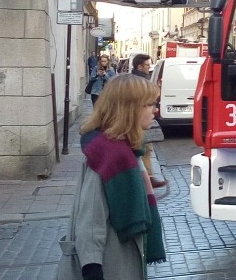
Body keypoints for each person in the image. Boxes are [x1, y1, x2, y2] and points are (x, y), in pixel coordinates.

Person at [62, 74, 166, 278]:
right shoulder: (109, 154)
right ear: (130, 108)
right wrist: (92, 268)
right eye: (149, 105)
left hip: (122, 259)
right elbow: (91, 218)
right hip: (110, 262)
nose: (155, 110)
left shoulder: (127, 148)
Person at [130, 53, 167, 189]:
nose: (149, 68)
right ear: (139, 66)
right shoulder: (139, 81)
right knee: (143, 148)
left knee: (146, 148)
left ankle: (148, 177)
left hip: (139, 119)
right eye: (147, 65)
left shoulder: (139, 79)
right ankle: (146, 179)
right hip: (137, 121)